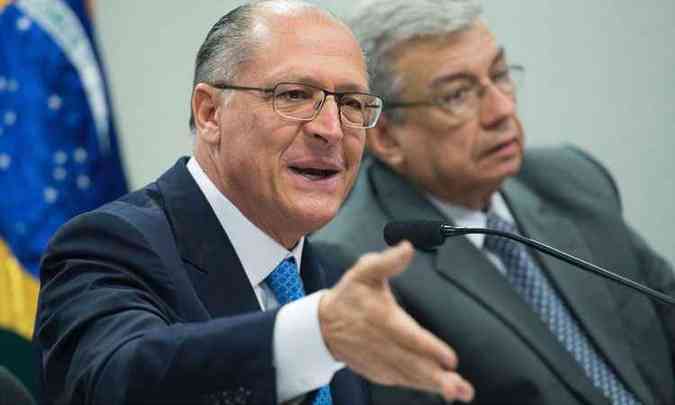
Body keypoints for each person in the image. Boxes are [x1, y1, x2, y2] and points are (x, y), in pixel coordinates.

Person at [33, 1, 476, 404]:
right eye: (294, 95)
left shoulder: (338, 274)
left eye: (352, 103)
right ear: (210, 113)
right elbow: (116, 380)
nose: (332, 129)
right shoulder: (109, 245)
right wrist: (310, 335)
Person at [311, 1, 675, 404]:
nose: (501, 110)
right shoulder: (360, 265)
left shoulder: (574, 181)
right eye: (457, 95)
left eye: (500, 75)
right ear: (387, 138)